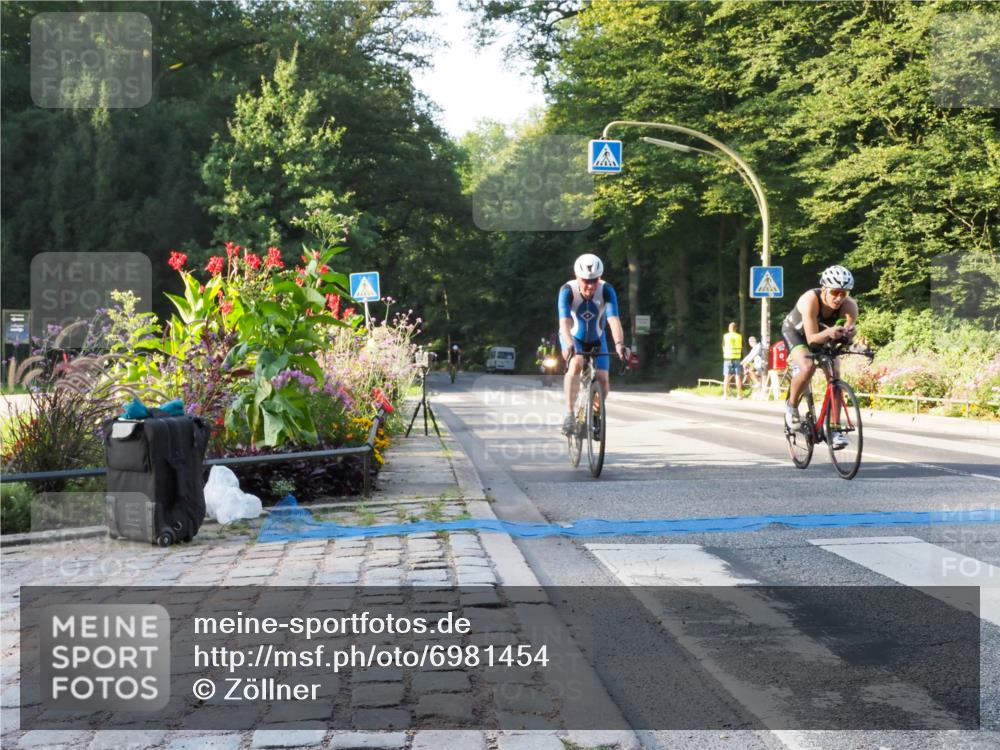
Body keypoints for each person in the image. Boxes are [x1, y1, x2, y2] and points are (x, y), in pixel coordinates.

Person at [781, 265, 859, 449]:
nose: (839, 298)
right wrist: (832, 332)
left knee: (835, 374)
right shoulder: (810, 300)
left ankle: (834, 428)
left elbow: (845, 338)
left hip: (824, 335)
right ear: (824, 289)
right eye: (835, 292)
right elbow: (812, 339)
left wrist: (848, 337)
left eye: (844, 293)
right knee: (808, 367)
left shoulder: (850, 307)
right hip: (797, 333)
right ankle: (791, 406)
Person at [558, 254, 627, 435]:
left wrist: (619, 345)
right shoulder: (567, 290)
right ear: (576, 276)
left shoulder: (606, 290)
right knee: (577, 363)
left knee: (603, 379)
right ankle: (570, 414)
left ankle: (596, 415)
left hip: (598, 338)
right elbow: (564, 323)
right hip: (573, 337)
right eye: (585, 280)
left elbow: (613, 320)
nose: (590, 285)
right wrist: (568, 344)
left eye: (594, 280)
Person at [722, 322, 743, 399]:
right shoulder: (739, 336)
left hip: (727, 358)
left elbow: (723, 346)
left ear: (729, 328)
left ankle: (725, 395)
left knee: (726, 376)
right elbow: (742, 346)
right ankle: (739, 395)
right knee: (737, 376)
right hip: (737, 358)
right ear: (736, 328)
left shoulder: (725, 336)